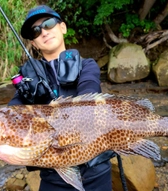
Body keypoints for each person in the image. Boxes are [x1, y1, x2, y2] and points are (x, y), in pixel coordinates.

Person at [8, 4, 114, 191]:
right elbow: (12, 112)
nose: (44, 32)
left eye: (48, 24)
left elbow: (89, 99)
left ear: (62, 27)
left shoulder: (87, 66)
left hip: (96, 172)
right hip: (53, 177)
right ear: (34, 43)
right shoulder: (29, 79)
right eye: (36, 31)